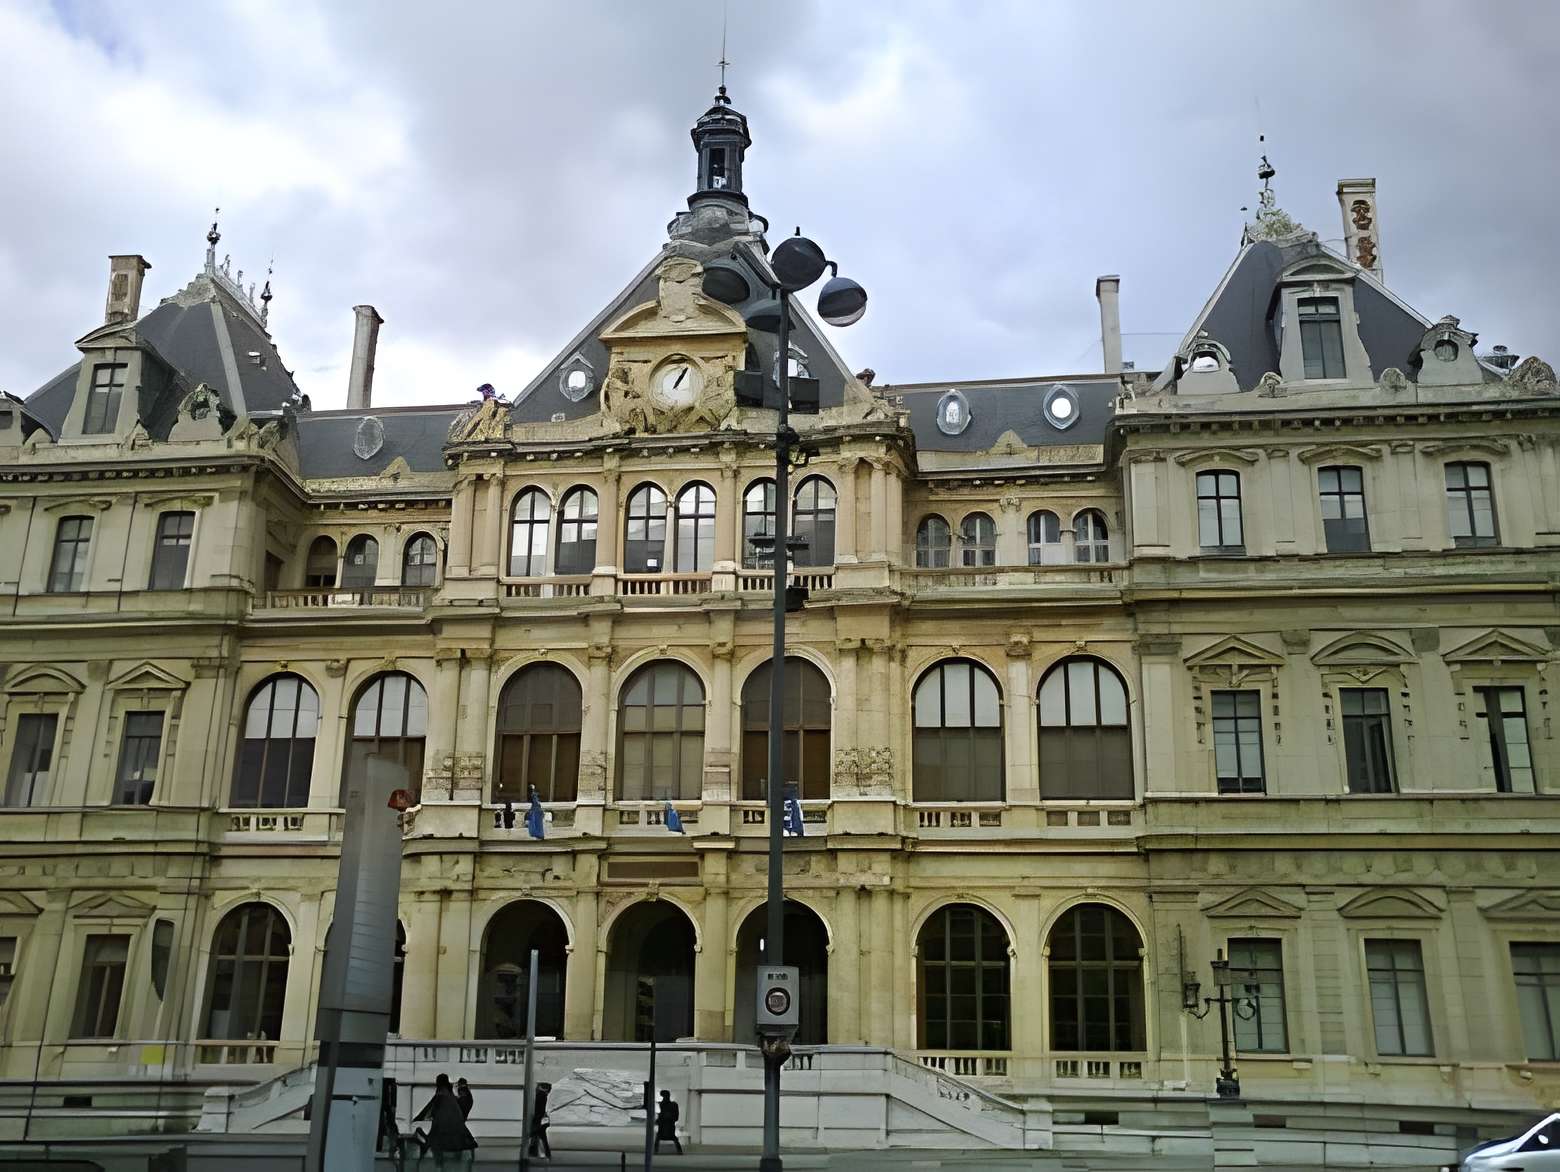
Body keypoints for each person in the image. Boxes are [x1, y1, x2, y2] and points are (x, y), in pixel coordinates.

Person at [413, 1073, 478, 1165]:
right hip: (456, 1126)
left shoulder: (441, 1092)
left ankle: (427, 1160)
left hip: (443, 1127)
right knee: (435, 1139)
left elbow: (430, 1107)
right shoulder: (450, 1093)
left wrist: (418, 1118)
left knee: (434, 1140)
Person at [527, 1082, 552, 1160]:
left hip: (538, 1121)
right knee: (542, 1138)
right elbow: (541, 1109)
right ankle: (545, 1154)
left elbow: (538, 1109)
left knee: (536, 1137)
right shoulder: (542, 1095)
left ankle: (536, 1153)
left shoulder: (539, 1094)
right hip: (540, 1121)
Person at [655, 1089, 683, 1155]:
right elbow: (661, 1114)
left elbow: (675, 1116)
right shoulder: (663, 1104)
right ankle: (679, 1151)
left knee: (670, 1137)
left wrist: (662, 1118)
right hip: (665, 1125)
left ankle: (679, 1151)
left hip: (668, 1124)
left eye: (664, 1097)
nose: (663, 1099)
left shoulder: (672, 1104)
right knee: (662, 1137)